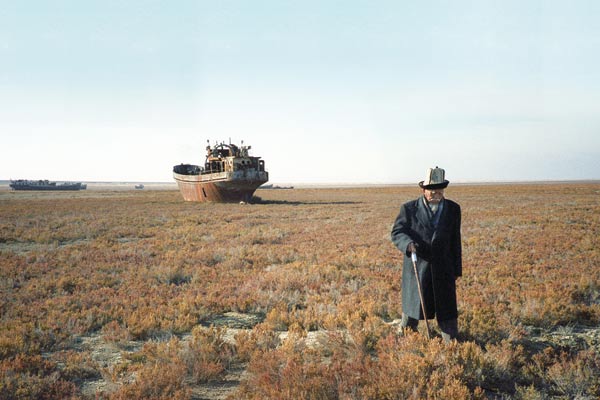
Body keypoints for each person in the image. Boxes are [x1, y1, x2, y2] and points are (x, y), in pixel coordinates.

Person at [391, 166, 462, 341]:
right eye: (432, 192)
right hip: (418, 264)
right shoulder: (408, 209)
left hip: (444, 267)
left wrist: (456, 269)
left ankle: (450, 342)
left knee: (446, 308)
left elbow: (455, 240)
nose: (436, 195)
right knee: (413, 305)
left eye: (439, 191)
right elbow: (397, 232)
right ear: (424, 190)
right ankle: (406, 337)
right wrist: (408, 244)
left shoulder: (453, 209)